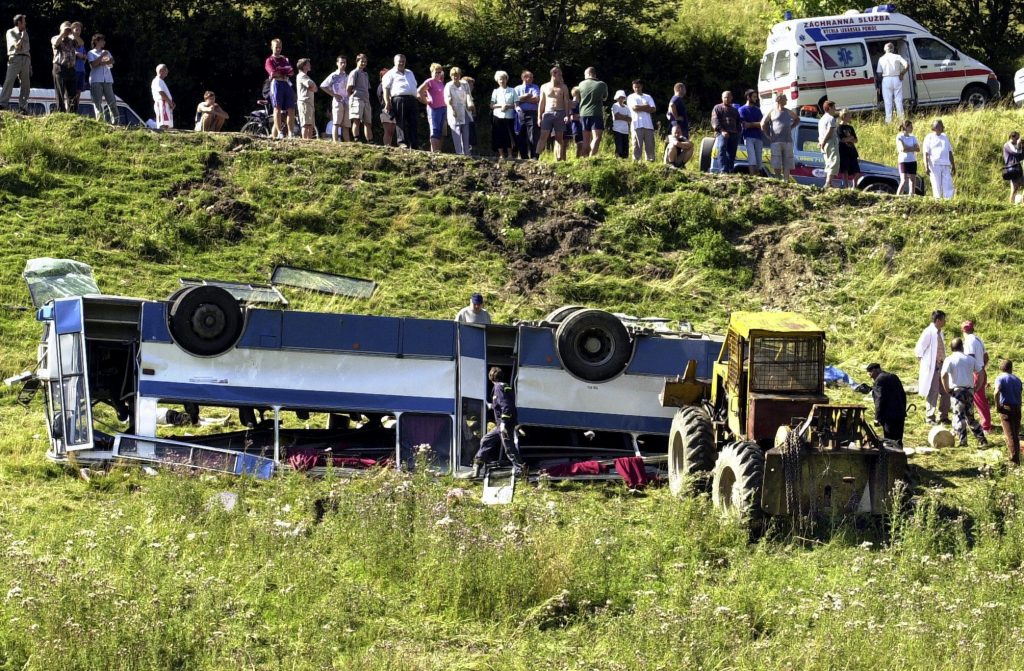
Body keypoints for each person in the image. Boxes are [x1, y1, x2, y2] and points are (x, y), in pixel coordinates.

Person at [471, 367, 526, 478]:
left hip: (504, 424)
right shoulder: (504, 386)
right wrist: (491, 405)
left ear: (490, 377)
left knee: (509, 448)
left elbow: (506, 406)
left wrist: (503, 423)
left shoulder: (498, 388)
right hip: (502, 424)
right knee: (486, 440)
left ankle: (521, 471)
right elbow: (503, 403)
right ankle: (477, 465)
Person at [940, 337, 988, 447]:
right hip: (969, 391)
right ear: (962, 347)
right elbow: (981, 372)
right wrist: (977, 387)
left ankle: (963, 441)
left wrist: (947, 389)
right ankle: (982, 439)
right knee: (970, 417)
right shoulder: (970, 359)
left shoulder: (950, 359)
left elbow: (943, 375)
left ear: (951, 348)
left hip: (957, 392)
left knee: (959, 416)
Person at [915, 309, 950, 425]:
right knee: (933, 391)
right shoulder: (928, 332)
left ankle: (943, 416)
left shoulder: (940, 332)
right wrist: (925, 364)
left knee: (945, 390)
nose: (945, 322)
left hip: (942, 365)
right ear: (938, 320)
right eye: (944, 320)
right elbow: (919, 349)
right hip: (933, 366)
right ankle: (930, 416)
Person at [382, 54, 418, 150]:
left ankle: (413, 143)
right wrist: (387, 102)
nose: (401, 63)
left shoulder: (409, 72)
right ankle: (402, 142)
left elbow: (414, 85)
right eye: (399, 61)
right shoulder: (390, 73)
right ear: (395, 62)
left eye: (403, 61)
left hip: (411, 99)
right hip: (398, 98)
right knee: (400, 121)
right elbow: (386, 89)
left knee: (413, 122)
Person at [866, 363, 907, 445]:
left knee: (889, 441)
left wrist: (877, 418)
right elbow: (903, 395)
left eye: (870, 373)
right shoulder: (893, 376)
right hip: (899, 415)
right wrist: (903, 410)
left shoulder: (879, 380)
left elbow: (879, 400)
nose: (870, 376)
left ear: (874, 370)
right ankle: (899, 456)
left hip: (889, 417)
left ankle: (891, 457)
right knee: (898, 440)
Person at [962, 320, 992, 433]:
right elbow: (986, 356)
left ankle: (986, 426)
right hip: (981, 370)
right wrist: (982, 368)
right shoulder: (979, 339)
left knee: (979, 399)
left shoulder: (969, 342)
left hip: (975, 372)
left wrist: (972, 372)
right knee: (980, 398)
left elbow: (970, 358)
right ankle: (983, 422)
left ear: (963, 331)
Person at [761, 93, 798, 182]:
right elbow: (762, 123)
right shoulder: (772, 111)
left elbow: (797, 119)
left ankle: (786, 180)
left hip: (788, 140)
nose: (786, 101)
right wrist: (767, 136)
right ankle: (777, 179)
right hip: (775, 141)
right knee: (776, 161)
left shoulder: (788, 111)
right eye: (785, 99)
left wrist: (791, 127)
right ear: (779, 100)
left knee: (787, 161)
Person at [537, 66, 570, 161]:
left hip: (560, 113)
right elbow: (541, 102)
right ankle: (537, 157)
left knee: (559, 138)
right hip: (547, 113)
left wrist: (567, 115)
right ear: (554, 74)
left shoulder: (563, 87)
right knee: (543, 136)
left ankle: (559, 159)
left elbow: (566, 102)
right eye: (559, 75)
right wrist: (539, 117)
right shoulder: (544, 86)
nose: (561, 76)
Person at [265, 38, 295, 139]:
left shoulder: (284, 59)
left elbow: (291, 72)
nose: (278, 49)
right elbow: (273, 73)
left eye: (280, 47)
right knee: (277, 108)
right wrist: (283, 72)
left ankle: (291, 132)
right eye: (276, 47)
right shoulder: (269, 60)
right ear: (272, 47)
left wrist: (281, 72)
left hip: (286, 83)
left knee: (291, 109)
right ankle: (279, 132)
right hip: (276, 84)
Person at [993, 360, 1022, 465]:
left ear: (1001, 368)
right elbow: (1019, 395)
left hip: (1007, 408)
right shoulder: (1017, 380)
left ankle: (1014, 461)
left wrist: (997, 406)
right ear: (1011, 368)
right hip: (1017, 408)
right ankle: (1016, 456)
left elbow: (996, 392)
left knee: (1010, 435)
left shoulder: (1000, 378)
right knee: (1015, 434)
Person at [0, 14, 31, 114]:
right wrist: (22, 36)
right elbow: (17, 46)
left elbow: (27, 49)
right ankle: (2, 104)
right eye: (24, 21)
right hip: (15, 57)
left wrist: (30, 64)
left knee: (26, 84)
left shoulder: (25, 33)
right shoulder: (11, 32)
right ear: (19, 23)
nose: (25, 23)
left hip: (26, 59)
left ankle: (23, 107)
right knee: (9, 81)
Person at [577, 67, 607, 157]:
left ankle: (584, 160)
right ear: (594, 74)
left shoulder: (581, 84)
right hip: (596, 113)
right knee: (596, 137)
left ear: (588, 74)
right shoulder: (602, 84)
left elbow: (578, 97)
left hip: (583, 114)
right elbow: (605, 98)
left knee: (586, 140)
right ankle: (592, 157)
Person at [876, 42, 908, 124]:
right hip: (897, 78)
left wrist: (879, 84)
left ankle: (889, 121)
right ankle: (901, 120)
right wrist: (902, 73)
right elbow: (907, 65)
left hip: (886, 79)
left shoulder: (881, 59)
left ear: (884, 49)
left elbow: (879, 73)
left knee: (888, 101)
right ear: (893, 49)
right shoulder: (897, 56)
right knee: (898, 100)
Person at [87, 33, 116, 124]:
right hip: (96, 80)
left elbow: (112, 61)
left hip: (107, 79)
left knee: (112, 101)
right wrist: (102, 57)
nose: (104, 42)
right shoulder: (91, 52)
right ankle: (100, 122)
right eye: (102, 40)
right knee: (97, 103)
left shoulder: (106, 51)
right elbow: (93, 64)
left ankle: (116, 121)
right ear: (96, 41)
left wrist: (102, 61)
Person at [417, 63, 446, 153]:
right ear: (432, 72)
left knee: (440, 131)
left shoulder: (440, 83)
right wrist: (426, 101)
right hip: (434, 109)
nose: (437, 74)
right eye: (436, 72)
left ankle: (437, 151)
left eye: (439, 72)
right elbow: (419, 91)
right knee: (434, 130)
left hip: (443, 108)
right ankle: (435, 151)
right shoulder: (430, 81)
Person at [319, 55, 349, 142]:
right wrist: (334, 95)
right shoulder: (333, 75)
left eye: (344, 62)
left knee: (346, 125)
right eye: (341, 62)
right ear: (337, 63)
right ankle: (335, 142)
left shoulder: (347, 76)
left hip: (346, 102)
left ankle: (348, 144)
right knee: (336, 123)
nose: (343, 64)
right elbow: (323, 86)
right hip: (338, 101)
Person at [923, 118, 955, 199]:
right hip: (934, 164)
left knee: (948, 183)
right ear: (934, 127)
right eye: (938, 126)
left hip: (945, 164)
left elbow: (949, 151)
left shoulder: (945, 137)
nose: (940, 128)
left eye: (941, 126)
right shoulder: (929, 137)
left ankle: (949, 200)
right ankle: (938, 200)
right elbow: (926, 153)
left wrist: (953, 165)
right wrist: (926, 166)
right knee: (936, 184)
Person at [444, 66, 473, 155]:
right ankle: (459, 153)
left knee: (466, 133)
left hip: (464, 110)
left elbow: (468, 94)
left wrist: (470, 103)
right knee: (456, 132)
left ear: (460, 75)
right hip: (454, 110)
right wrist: (452, 109)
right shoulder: (448, 85)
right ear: (451, 76)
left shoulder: (465, 84)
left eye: (457, 75)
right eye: (453, 75)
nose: (455, 77)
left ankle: (467, 153)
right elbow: (447, 99)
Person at [710, 90, 739, 173]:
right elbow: (715, 120)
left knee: (732, 153)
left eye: (728, 97)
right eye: (725, 97)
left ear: (731, 98)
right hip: (721, 133)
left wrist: (738, 133)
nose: (726, 99)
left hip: (734, 134)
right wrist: (722, 131)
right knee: (722, 150)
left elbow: (738, 122)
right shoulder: (717, 107)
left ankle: (730, 170)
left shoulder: (734, 110)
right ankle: (723, 170)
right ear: (722, 98)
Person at [627, 79, 656, 162]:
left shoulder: (648, 96)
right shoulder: (631, 97)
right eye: (635, 87)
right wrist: (646, 106)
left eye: (638, 87)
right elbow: (634, 108)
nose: (636, 89)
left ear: (641, 86)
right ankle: (636, 164)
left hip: (648, 125)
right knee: (637, 146)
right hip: (636, 125)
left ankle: (650, 163)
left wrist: (641, 107)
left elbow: (653, 109)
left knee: (650, 146)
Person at [51, 21, 77, 113]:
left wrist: (73, 33)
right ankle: (61, 112)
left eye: (68, 29)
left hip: (71, 68)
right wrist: (62, 33)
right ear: (60, 29)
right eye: (66, 28)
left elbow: (81, 43)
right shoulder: (55, 38)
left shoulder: (72, 40)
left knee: (72, 93)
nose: (67, 31)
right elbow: (55, 44)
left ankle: (72, 113)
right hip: (60, 67)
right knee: (60, 91)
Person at [490, 70, 516, 160]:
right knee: (498, 135)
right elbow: (491, 105)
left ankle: (510, 154)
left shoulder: (512, 90)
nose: (502, 81)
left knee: (509, 136)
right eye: (500, 79)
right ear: (497, 80)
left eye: (504, 79)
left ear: (506, 79)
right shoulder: (495, 91)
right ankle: (501, 155)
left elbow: (516, 105)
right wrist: (501, 105)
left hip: (509, 117)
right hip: (497, 116)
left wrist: (508, 106)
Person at [514, 70, 540, 159]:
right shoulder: (517, 88)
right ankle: (524, 157)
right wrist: (527, 96)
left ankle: (534, 157)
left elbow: (536, 99)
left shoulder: (535, 87)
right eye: (530, 77)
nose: (532, 79)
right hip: (520, 114)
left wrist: (522, 99)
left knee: (533, 135)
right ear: (524, 78)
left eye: (532, 77)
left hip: (532, 113)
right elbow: (514, 101)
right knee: (521, 135)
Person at [346, 54, 373, 142]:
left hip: (366, 100)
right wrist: (351, 97)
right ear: (357, 61)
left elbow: (367, 88)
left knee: (368, 122)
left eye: (365, 61)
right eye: (362, 61)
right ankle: (356, 138)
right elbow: (349, 88)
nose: (364, 63)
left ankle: (370, 140)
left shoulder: (365, 74)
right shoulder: (354, 72)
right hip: (357, 99)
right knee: (356, 120)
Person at [738, 89, 764, 176]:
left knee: (759, 160)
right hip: (748, 136)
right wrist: (756, 124)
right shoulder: (742, 109)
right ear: (748, 97)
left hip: (758, 137)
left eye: (756, 97)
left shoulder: (758, 110)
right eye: (754, 97)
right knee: (752, 158)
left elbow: (762, 124)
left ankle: (758, 178)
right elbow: (745, 125)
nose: (756, 99)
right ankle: (753, 177)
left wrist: (751, 124)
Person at [836, 109, 861, 189]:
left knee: (857, 171)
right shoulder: (839, 127)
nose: (850, 117)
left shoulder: (850, 127)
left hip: (852, 151)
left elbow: (856, 140)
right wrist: (850, 138)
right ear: (844, 116)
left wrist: (849, 139)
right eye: (849, 116)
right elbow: (841, 139)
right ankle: (846, 187)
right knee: (845, 170)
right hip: (843, 151)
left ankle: (854, 186)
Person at [817, 100, 839, 188]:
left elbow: (821, 132)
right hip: (829, 142)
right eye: (834, 107)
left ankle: (828, 182)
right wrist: (824, 142)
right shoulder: (831, 118)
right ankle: (828, 182)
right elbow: (829, 132)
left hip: (823, 143)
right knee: (834, 161)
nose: (835, 109)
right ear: (829, 108)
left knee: (828, 162)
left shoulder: (821, 119)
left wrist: (821, 142)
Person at [295, 58, 317, 139]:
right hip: (305, 102)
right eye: (308, 64)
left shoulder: (306, 76)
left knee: (310, 124)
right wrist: (313, 87)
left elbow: (315, 88)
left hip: (309, 102)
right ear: (303, 66)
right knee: (305, 124)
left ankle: (309, 142)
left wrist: (314, 87)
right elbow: (311, 85)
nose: (310, 65)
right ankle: (305, 141)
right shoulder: (302, 76)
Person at [896, 120, 919, 196]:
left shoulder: (913, 137)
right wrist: (912, 148)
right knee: (904, 180)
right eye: (910, 127)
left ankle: (911, 195)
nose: (912, 128)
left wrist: (907, 147)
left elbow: (918, 149)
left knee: (913, 180)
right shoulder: (900, 136)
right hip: (903, 161)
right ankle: (897, 196)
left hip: (912, 160)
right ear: (905, 127)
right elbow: (903, 149)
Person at [377, 66, 398, 147]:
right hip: (385, 110)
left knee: (392, 131)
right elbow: (383, 99)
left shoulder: (391, 87)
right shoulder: (381, 86)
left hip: (392, 111)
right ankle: (386, 146)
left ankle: (388, 146)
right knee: (388, 131)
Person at [151, 63, 174, 129]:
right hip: (162, 104)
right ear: (161, 71)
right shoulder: (157, 80)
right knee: (163, 123)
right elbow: (161, 92)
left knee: (166, 124)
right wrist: (170, 102)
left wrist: (171, 102)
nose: (167, 72)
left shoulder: (160, 81)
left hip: (165, 104)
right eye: (166, 70)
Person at [1003, 131, 1023, 204]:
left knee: (1015, 188)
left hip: (1016, 168)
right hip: (1012, 168)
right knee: (1014, 188)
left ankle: (1011, 204)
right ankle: (1011, 204)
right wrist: (1018, 144)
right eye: (1017, 138)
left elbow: (1020, 156)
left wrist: (1021, 147)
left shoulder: (1014, 145)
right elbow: (1015, 152)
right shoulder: (1007, 145)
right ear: (1012, 137)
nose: (1018, 139)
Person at [610, 89, 630, 159]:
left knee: (625, 148)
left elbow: (630, 119)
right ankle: (617, 161)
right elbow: (616, 116)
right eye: (619, 97)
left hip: (625, 130)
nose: (621, 99)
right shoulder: (615, 105)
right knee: (619, 147)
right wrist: (625, 117)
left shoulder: (627, 107)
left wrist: (621, 116)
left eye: (622, 97)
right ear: (617, 98)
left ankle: (625, 162)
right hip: (617, 129)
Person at [70, 21, 86, 109]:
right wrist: (77, 54)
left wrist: (81, 55)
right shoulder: (69, 40)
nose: (78, 31)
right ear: (72, 30)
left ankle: (76, 109)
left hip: (81, 70)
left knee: (78, 91)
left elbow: (84, 56)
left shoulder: (81, 42)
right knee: (71, 91)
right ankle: (69, 109)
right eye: (76, 29)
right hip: (73, 70)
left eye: (79, 30)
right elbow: (72, 52)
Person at [568, 86, 584, 159]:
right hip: (576, 126)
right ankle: (577, 159)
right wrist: (581, 116)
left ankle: (581, 158)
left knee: (582, 144)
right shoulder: (573, 104)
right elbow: (572, 117)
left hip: (581, 127)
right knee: (579, 144)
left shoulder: (580, 104)